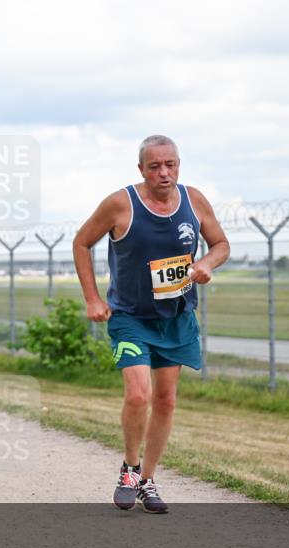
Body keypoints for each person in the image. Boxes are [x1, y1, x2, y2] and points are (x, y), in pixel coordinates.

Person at [72, 134, 230, 513]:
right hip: (130, 317)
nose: (164, 173)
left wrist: (206, 264)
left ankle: (148, 480)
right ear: (141, 169)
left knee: (165, 399)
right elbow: (81, 242)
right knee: (138, 394)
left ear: (179, 165)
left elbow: (221, 244)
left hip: (176, 317)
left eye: (170, 165)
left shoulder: (194, 200)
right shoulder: (120, 204)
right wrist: (92, 298)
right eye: (155, 166)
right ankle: (130, 468)